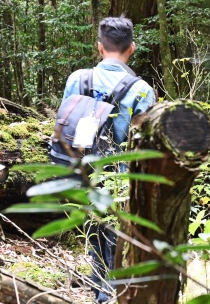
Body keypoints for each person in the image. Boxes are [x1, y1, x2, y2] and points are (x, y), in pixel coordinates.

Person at [62, 16, 156, 303]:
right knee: (119, 238)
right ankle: (112, 293)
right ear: (132, 48)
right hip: (123, 178)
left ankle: (100, 290)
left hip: (85, 172)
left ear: (100, 47)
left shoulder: (78, 79)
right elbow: (146, 143)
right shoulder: (142, 90)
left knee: (94, 233)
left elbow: (64, 126)